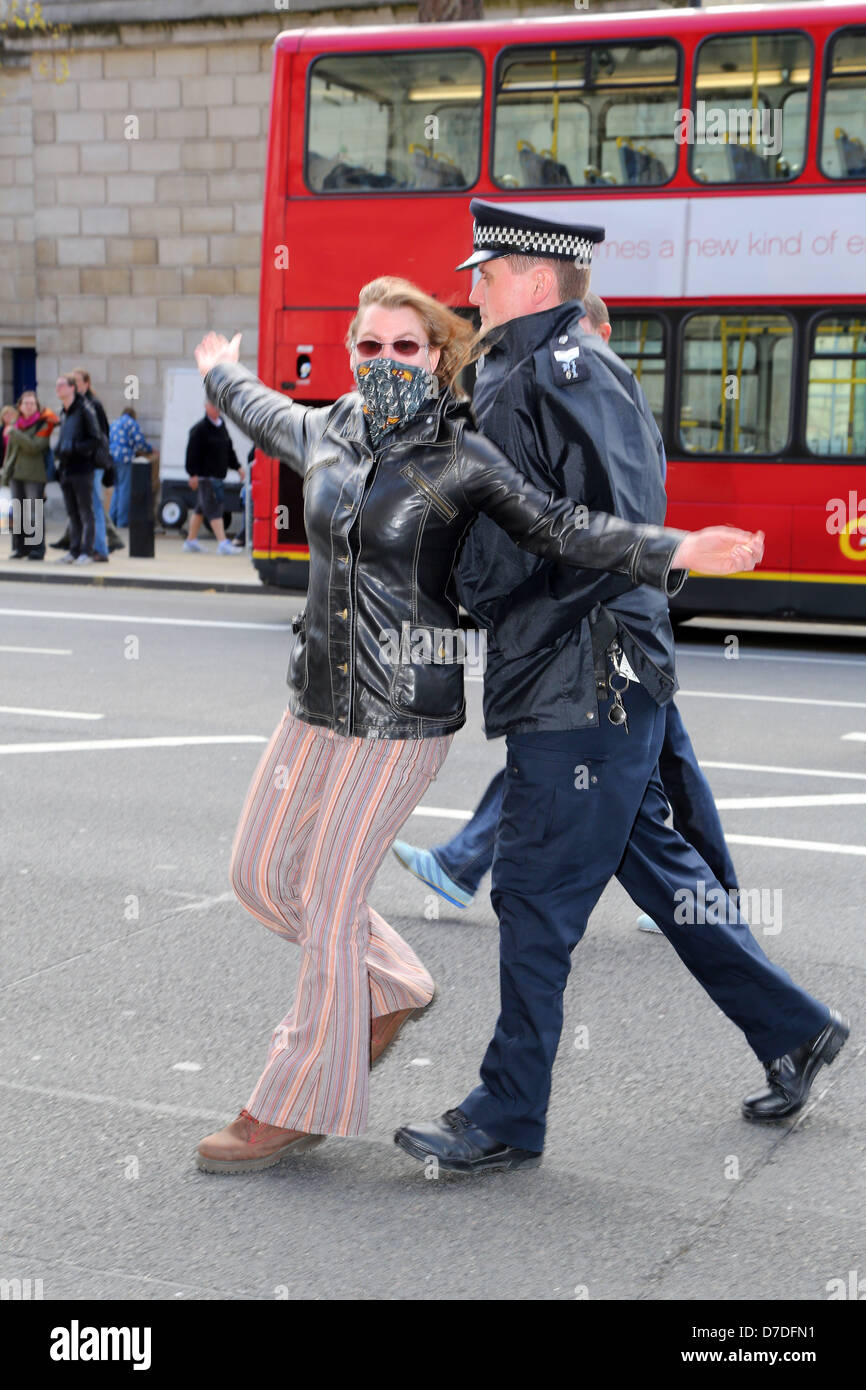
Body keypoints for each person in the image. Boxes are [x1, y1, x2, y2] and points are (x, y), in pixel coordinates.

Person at [188, 275, 760, 1174]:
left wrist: (673, 549)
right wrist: (221, 370)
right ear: (351, 355)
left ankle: (294, 1101)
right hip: (315, 702)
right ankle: (398, 985)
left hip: (403, 713)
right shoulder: (328, 431)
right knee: (260, 876)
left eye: (405, 347)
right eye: (369, 347)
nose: (385, 362)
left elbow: (563, 528)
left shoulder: (462, 457)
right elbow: (261, 408)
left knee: (331, 903)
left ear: (437, 356)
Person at [394, 202, 848, 1175]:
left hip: (583, 676)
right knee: (668, 876)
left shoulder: (559, 370)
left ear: (532, 277)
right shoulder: (541, 369)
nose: (469, 284)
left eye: (485, 269)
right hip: (592, 672)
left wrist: (470, 579)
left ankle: (506, 1111)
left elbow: (589, 528)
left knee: (531, 897)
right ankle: (794, 1028)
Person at [391, 290, 738, 925]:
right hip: (620, 625)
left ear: (597, 330)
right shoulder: (588, 395)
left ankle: (467, 865)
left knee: (565, 754)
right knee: (656, 766)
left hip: (607, 622)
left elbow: (610, 522)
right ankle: (708, 894)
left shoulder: (598, 393)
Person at [0, 389, 58, 560]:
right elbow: (11, 451)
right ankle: (20, 548)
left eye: (32, 403)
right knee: (18, 513)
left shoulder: (44, 424)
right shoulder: (17, 424)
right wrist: (6, 471)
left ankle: (37, 549)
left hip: (35, 474)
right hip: (16, 474)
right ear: (20, 406)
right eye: (26, 403)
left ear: (37, 406)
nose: (29, 406)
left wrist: (15, 434)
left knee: (34, 513)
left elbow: (35, 446)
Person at [54, 373, 101, 565]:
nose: (59, 389)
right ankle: (73, 551)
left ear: (72, 388)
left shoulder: (85, 409)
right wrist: (58, 451)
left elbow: (95, 438)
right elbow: (62, 439)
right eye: (57, 386)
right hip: (66, 469)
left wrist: (74, 448)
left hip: (82, 469)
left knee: (86, 512)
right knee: (72, 513)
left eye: (62, 385)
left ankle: (87, 552)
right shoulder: (63, 413)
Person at [183, 399, 241, 555]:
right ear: (206, 407)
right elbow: (191, 453)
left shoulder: (221, 426)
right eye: (213, 406)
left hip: (217, 475)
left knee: (201, 509)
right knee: (214, 508)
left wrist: (238, 467)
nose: (216, 409)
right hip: (205, 477)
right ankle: (223, 543)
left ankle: (190, 540)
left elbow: (229, 449)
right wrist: (192, 474)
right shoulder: (199, 429)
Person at [108, 406, 154, 528]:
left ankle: (111, 519)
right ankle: (122, 521)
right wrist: (150, 450)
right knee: (125, 489)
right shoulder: (131, 423)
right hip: (125, 458)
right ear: (133, 415)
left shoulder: (115, 423)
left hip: (112, 457)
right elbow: (140, 442)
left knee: (117, 489)